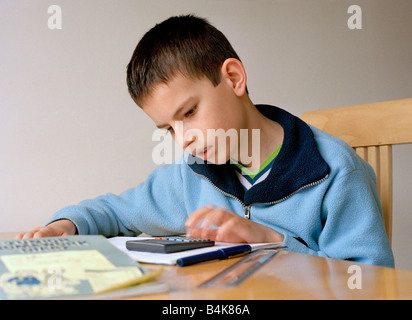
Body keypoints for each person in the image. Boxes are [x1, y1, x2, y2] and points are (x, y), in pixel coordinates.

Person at [17, 15, 394, 267]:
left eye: (189, 112)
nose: (184, 139)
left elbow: (369, 282)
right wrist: (65, 225)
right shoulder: (191, 176)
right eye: (168, 128)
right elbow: (116, 212)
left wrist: (271, 241)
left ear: (233, 78)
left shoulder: (335, 171)